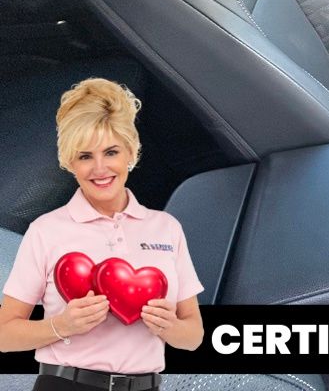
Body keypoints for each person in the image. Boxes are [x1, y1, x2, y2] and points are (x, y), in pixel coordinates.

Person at [0, 78, 204, 389]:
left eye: (111, 152)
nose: (100, 168)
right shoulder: (46, 231)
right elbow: (4, 335)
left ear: (131, 153)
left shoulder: (166, 228)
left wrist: (169, 327)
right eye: (85, 156)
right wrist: (61, 326)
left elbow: (194, 336)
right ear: (70, 162)